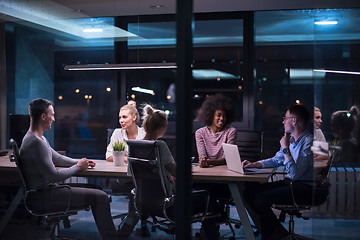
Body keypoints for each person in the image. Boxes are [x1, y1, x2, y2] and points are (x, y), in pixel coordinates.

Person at [20, 98, 119, 240]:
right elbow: (54, 176)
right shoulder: (36, 142)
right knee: (101, 197)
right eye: (52, 115)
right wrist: (78, 167)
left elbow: (58, 159)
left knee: (96, 189)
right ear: (43, 116)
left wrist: (79, 161)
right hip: (44, 197)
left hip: (47, 192)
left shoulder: (38, 138)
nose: (54, 119)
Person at [139, 104, 218, 240]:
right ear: (162, 127)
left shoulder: (137, 147)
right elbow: (177, 174)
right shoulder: (160, 146)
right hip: (170, 205)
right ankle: (210, 236)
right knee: (207, 198)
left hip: (147, 203)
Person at [242, 104, 314, 240]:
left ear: (294, 120)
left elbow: (295, 174)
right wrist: (255, 164)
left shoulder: (308, 143)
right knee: (249, 192)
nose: (283, 121)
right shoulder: (292, 140)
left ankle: (273, 235)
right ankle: (278, 234)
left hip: (303, 187)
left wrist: (285, 148)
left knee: (260, 198)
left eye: (285, 118)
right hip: (291, 183)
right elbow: (276, 160)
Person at [195, 94, 237, 168]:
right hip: (207, 170)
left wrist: (209, 162)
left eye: (224, 116)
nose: (221, 118)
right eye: (219, 115)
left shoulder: (231, 132)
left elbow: (228, 158)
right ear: (211, 115)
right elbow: (202, 156)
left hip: (225, 170)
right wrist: (203, 160)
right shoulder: (200, 133)